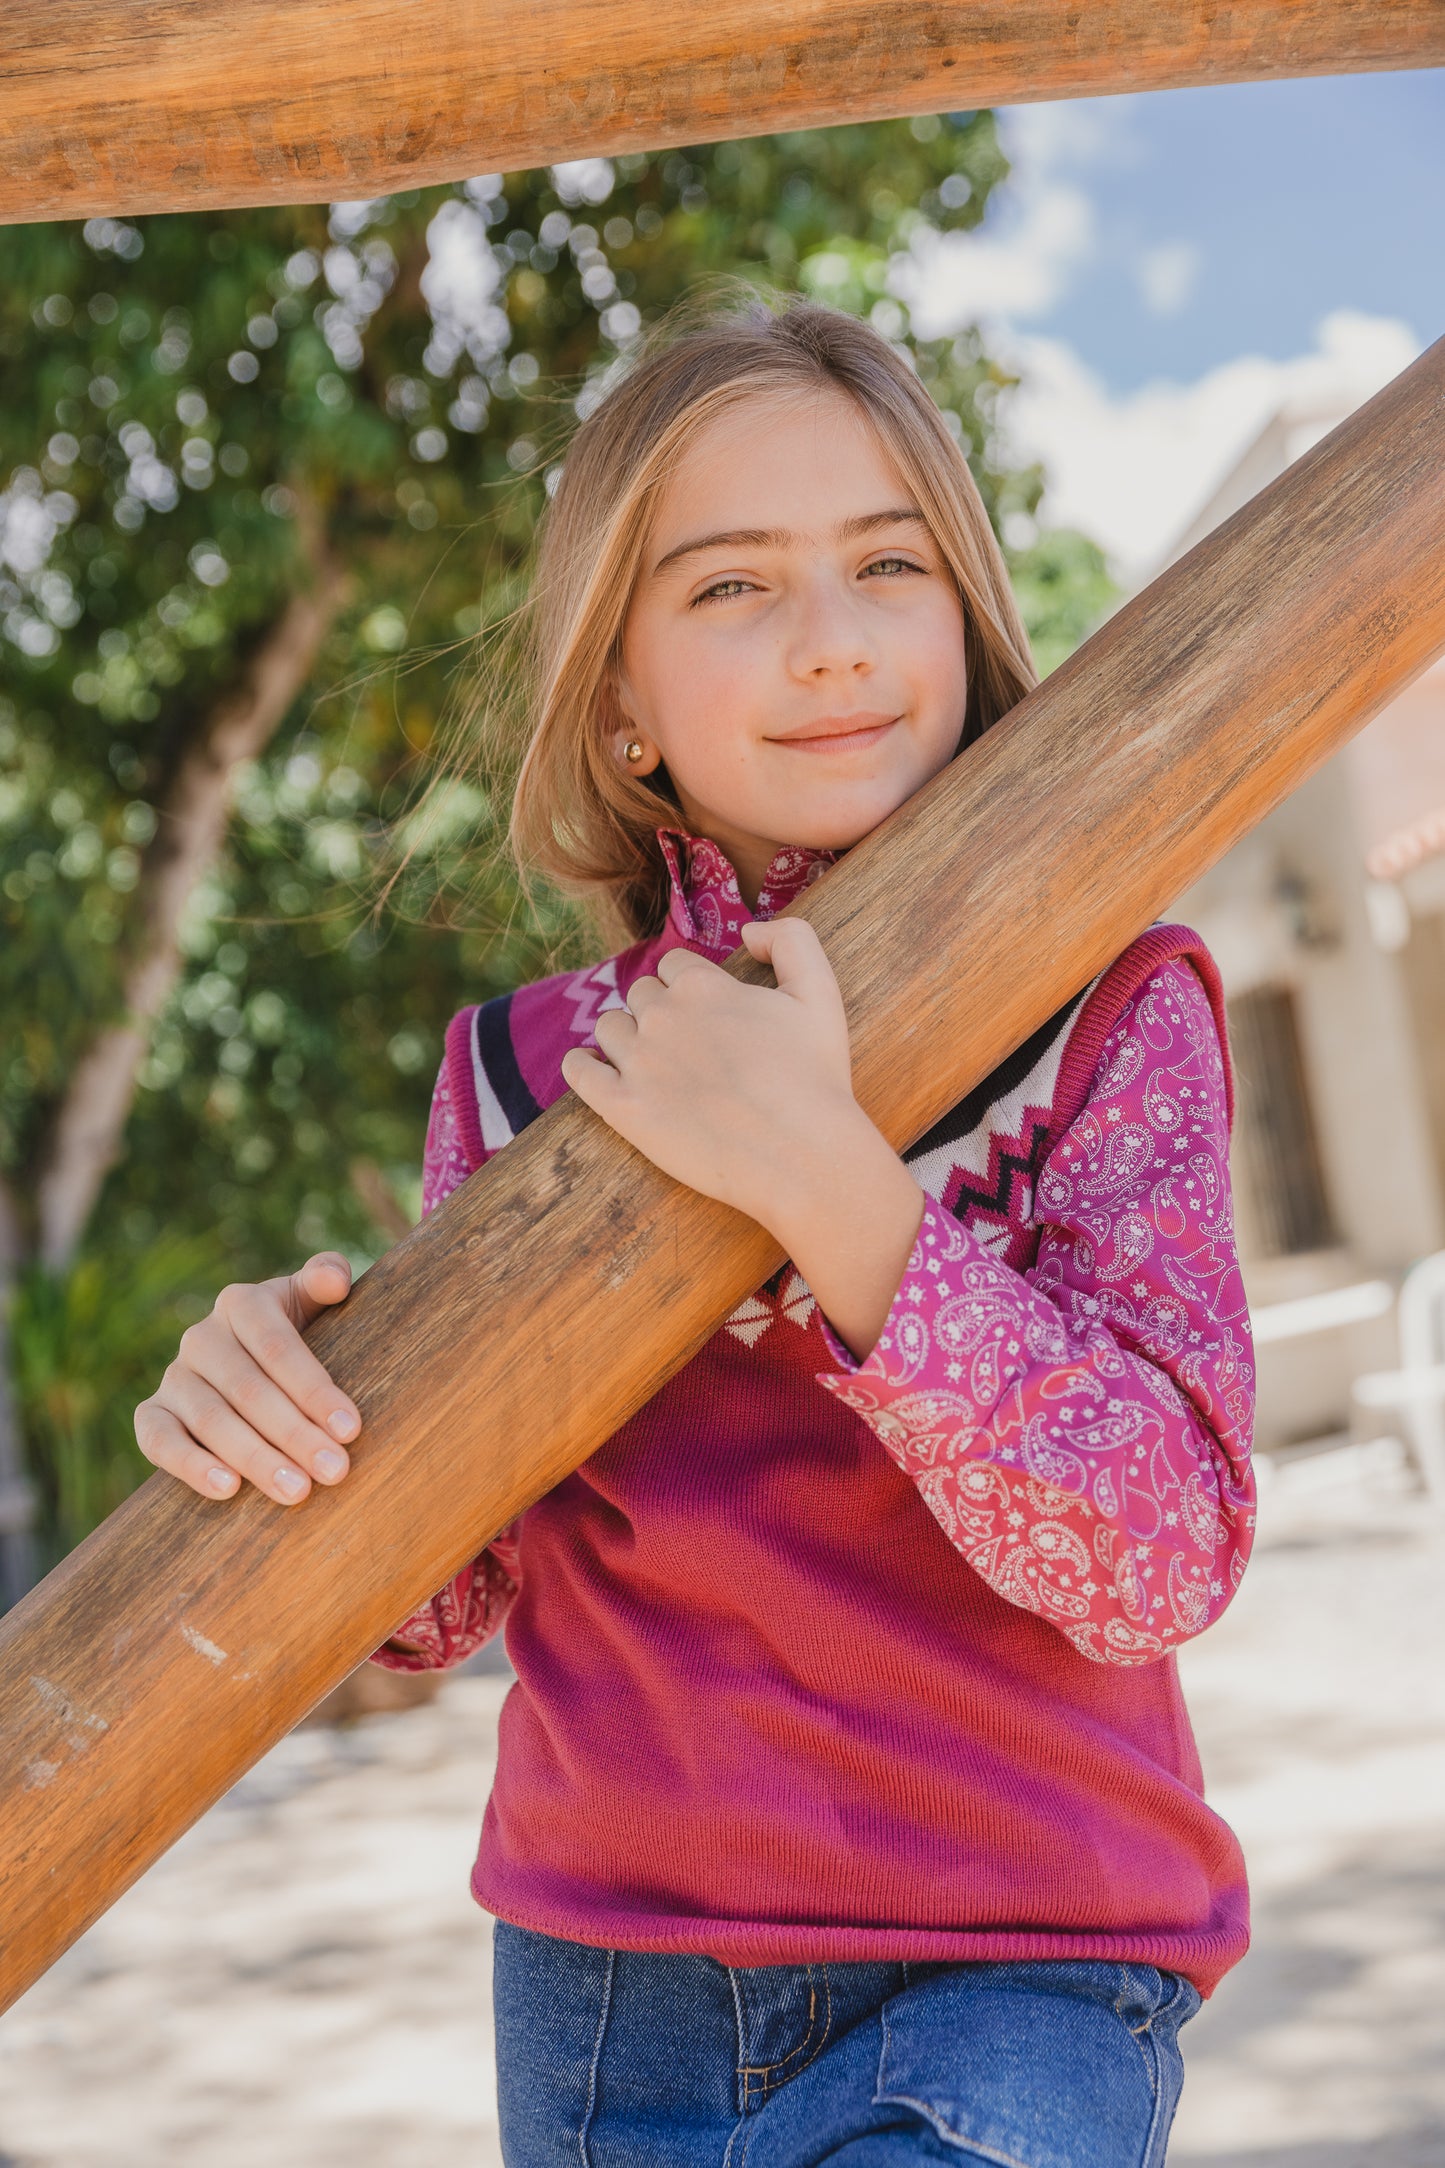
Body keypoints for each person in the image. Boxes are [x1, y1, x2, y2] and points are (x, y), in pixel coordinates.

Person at [136, 298, 1256, 2166]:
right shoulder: (516, 1077)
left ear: (965, 624)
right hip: (608, 1997)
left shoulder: (1116, 1006)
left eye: (886, 564)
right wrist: (272, 1409)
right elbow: (443, 1593)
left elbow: (1154, 1559)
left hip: (1026, 1973)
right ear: (620, 706)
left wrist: (828, 1184)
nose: (829, 643)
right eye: (731, 587)